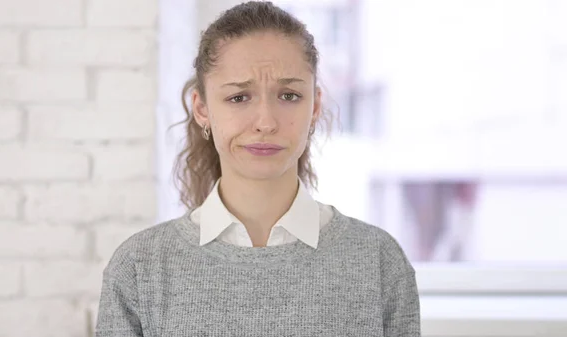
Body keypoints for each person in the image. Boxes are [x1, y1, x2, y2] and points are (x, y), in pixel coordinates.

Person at [95, 2, 420, 336]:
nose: (265, 122)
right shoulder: (139, 267)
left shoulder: (378, 262)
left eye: (289, 95)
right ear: (202, 109)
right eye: (239, 97)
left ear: (315, 106)